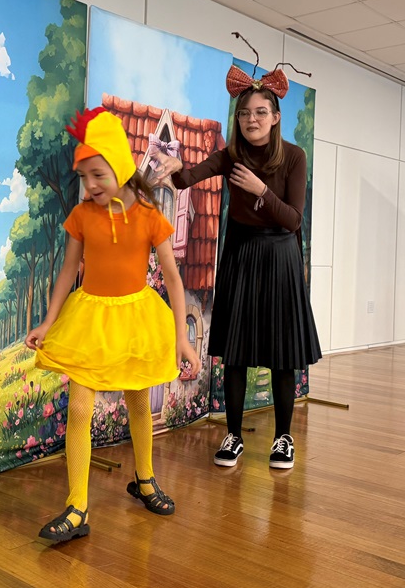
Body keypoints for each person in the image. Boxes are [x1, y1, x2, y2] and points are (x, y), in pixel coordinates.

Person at [25, 107, 201, 543]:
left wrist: (182, 337)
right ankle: (77, 507)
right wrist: (48, 322)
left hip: (135, 320)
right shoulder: (83, 215)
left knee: (138, 404)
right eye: (84, 177)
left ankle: (145, 480)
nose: (90, 185)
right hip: (90, 320)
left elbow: (173, 278)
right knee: (79, 409)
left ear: (121, 167)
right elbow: (68, 272)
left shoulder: (148, 216)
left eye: (98, 175)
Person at [151, 62, 321, 470]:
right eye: (244, 113)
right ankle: (233, 436)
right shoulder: (232, 155)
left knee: (282, 353)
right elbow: (188, 178)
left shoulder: (294, 157)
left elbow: (293, 220)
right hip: (241, 254)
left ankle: (283, 438)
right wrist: (175, 169)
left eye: (260, 112)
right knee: (236, 352)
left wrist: (261, 191)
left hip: (280, 256)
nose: (251, 120)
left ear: (275, 117)